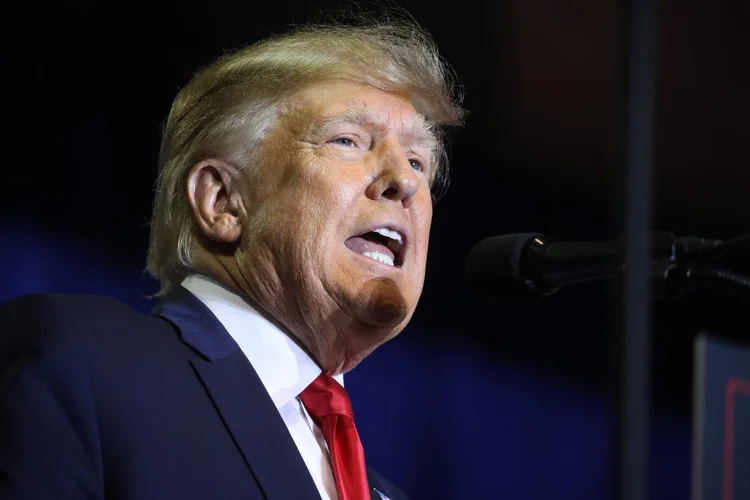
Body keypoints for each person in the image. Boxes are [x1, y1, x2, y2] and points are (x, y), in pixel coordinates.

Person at [0, 13, 464, 500]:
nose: (406, 181)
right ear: (222, 201)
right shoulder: (86, 364)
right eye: (347, 140)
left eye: (418, 161)